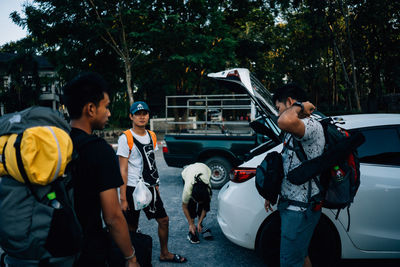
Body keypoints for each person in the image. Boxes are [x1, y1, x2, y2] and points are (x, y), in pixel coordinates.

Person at [63, 72, 139, 267]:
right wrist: (131, 258)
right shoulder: (98, 149)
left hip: (55, 246)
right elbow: (113, 217)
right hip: (86, 251)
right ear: (90, 108)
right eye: (106, 106)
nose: (109, 113)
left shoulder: (59, 143)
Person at [117, 101, 187, 264]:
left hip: (150, 188)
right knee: (132, 226)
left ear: (148, 116)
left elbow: (151, 164)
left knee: (164, 220)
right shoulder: (125, 137)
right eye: (138, 114)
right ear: (131, 116)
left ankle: (164, 253)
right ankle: (132, 259)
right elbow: (122, 170)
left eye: (145, 114)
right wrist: (123, 198)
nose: (142, 117)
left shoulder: (152, 135)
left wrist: (156, 186)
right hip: (132, 189)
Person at [264, 84, 325, 267]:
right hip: (293, 206)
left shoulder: (311, 124)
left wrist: (298, 106)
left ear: (290, 102)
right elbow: (289, 162)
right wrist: (272, 193)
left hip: (299, 210)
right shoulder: (299, 128)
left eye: (279, 108)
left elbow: (284, 121)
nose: (278, 114)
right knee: (300, 256)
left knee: (290, 262)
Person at [181, 163, 213, 244]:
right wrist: (191, 223)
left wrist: (199, 222)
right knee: (191, 205)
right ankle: (192, 229)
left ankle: (200, 225)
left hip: (204, 168)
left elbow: (205, 207)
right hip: (188, 171)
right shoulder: (187, 191)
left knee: (203, 205)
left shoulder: (208, 191)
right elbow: (184, 207)